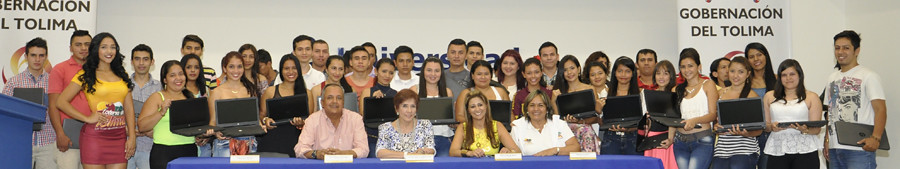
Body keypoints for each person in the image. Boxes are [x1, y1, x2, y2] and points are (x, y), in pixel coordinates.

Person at [56, 32, 136, 169]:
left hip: (119, 137)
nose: (109, 51)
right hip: (94, 138)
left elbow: (128, 107)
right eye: (104, 47)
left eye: (113, 47)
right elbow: (60, 102)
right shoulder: (86, 74)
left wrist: (132, 136)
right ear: (96, 49)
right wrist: (87, 118)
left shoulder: (122, 74)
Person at [824, 30, 886, 169]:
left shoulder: (868, 76)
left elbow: (880, 109)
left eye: (846, 48)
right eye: (837, 48)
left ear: (857, 50)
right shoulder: (832, 78)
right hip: (835, 148)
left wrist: (876, 138)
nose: (841, 52)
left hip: (859, 149)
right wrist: (827, 140)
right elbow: (830, 112)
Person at [2, 37, 55, 169]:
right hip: (20, 142)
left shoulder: (54, 81)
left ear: (46, 57)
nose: (37, 59)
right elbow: (3, 111)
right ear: (26, 56)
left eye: (41, 55)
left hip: (48, 143)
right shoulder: (13, 82)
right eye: (33, 55)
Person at [136, 60, 198, 169]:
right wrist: (161, 112)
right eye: (172, 75)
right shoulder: (157, 97)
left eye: (181, 74)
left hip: (189, 150)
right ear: (165, 79)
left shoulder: (190, 97)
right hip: (164, 152)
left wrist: (203, 133)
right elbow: (142, 126)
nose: (178, 78)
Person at [763, 59, 823, 169]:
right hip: (777, 148)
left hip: (805, 148)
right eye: (784, 75)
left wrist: (805, 130)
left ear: (800, 75)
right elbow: (765, 126)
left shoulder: (812, 97)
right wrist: (771, 127)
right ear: (780, 78)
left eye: (792, 74)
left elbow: (817, 129)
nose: (788, 78)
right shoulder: (769, 96)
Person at [206, 51, 261, 157]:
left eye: (239, 66)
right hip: (225, 143)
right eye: (231, 67)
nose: (236, 71)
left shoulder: (251, 90)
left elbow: (255, 118)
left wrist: (262, 124)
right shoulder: (217, 92)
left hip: (249, 142)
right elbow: (212, 122)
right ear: (224, 69)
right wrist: (215, 132)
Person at [48, 30, 90, 169]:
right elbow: (53, 105)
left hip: (93, 137)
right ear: (70, 48)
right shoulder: (60, 69)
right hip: (68, 138)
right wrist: (60, 134)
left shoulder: (99, 70)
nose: (83, 48)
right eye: (78, 45)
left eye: (87, 44)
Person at [672, 48, 719, 169]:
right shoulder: (676, 90)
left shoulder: (708, 85)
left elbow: (713, 115)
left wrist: (694, 120)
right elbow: (673, 118)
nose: (686, 70)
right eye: (683, 67)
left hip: (702, 140)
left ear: (699, 66)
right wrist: (670, 138)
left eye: (690, 66)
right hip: (679, 142)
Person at [712, 56, 762, 169]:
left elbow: (759, 130)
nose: (735, 76)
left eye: (741, 72)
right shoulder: (720, 94)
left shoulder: (752, 96)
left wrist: (746, 134)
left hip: (745, 150)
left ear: (748, 74)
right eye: (732, 71)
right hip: (722, 151)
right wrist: (716, 127)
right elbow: (715, 121)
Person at [295, 84, 369, 159]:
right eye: (330, 98)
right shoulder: (312, 120)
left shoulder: (355, 119)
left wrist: (343, 154)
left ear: (343, 102)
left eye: (339, 98)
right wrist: (317, 154)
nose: (334, 101)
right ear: (322, 102)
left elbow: (363, 149)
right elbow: (300, 149)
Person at [258, 54, 309, 157]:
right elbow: (261, 115)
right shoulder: (270, 91)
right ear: (281, 71)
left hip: (298, 142)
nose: (291, 72)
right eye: (286, 68)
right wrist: (265, 120)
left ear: (299, 70)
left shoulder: (307, 93)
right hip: (272, 141)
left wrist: (302, 123)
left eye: (294, 68)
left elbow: (311, 119)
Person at [449, 90, 519, 157]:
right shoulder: (462, 127)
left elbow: (517, 151)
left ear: (486, 106)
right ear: (468, 110)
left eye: (480, 105)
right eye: (473, 106)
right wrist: (469, 153)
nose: (477, 109)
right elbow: (452, 152)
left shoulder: (497, 125)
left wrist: (508, 151)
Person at [510, 90, 579, 156]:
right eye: (532, 105)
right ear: (526, 109)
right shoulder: (518, 126)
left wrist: (555, 150)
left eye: (540, 105)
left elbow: (576, 148)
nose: (536, 109)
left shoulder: (559, 123)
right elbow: (513, 153)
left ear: (547, 109)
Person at [409, 57, 454, 157]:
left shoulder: (448, 92)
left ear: (441, 73)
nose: (433, 74)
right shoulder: (414, 90)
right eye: (429, 70)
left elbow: (451, 119)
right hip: (420, 140)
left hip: (444, 138)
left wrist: (452, 122)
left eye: (437, 71)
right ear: (423, 72)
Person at [600, 56, 643, 155]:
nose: (623, 75)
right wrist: (598, 107)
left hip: (633, 139)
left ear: (633, 74)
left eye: (627, 71)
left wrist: (630, 129)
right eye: (620, 71)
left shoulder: (641, 93)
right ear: (614, 73)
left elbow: (644, 120)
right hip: (610, 139)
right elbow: (600, 117)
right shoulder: (606, 92)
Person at [375, 89, 436, 158]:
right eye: (405, 106)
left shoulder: (425, 125)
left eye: (413, 106)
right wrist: (409, 155)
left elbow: (431, 149)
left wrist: (424, 151)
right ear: (396, 108)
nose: (409, 110)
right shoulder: (385, 127)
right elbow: (380, 153)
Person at [745, 42, 777, 169]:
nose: (756, 59)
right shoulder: (744, 82)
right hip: (749, 134)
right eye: (751, 57)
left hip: (771, 135)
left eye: (759, 55)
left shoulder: (778, 80)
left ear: (766, 56)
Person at [128, 44, 160, 169]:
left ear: (152, 62)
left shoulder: (160, 88)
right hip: (126, 146)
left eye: (145, 59)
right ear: (131, 62)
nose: (141, 63)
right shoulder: (123, 86)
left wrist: (149, 131)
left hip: (150, 146)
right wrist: (129, 130)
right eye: (137, 59)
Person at [643, 60, 677, 169]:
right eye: (658, 73)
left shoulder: (675, 95)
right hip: (652, 137)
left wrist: (670, 138)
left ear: (671, 76)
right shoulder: (648, 95)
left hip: (667, 138)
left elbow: (674, 119)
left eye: (665, 73)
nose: (661, 77)